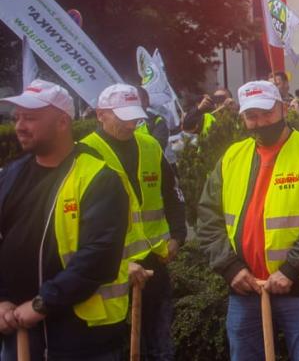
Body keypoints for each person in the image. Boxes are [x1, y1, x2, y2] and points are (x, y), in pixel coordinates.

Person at [196, 80, 299, 361]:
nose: (260, 122)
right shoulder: (232, 156)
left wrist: (290, 270)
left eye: (267, 113)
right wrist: (230, 268)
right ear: (242, 118)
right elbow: (207, 216)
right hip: (245, 286)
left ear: (282, 108)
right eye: (252, 116)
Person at [0, 80, 130, 361]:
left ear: (62, 122)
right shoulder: (11, 175)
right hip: (18, 331)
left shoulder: (99, 178)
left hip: (79, 339)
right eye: (16, 118)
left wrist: (41, 304)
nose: (19, 126)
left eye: (30, 118)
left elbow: (98, 256)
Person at [80, 84, 187, 361]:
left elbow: (173, 193)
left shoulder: (150, 145)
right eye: (122, 117)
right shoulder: (85, 153)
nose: (130, 125)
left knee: (160, 345)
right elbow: (75, 224)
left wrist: (177, 235)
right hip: (111, 271)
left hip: (154, 262)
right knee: (116, 348)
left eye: (135, 117)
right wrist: (116, 263)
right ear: (101, 114)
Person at [136, 86, 170, 150]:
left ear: (146, 101)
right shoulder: (125, 124)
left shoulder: (157, 121)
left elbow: (157, 148)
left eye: (137, 102)